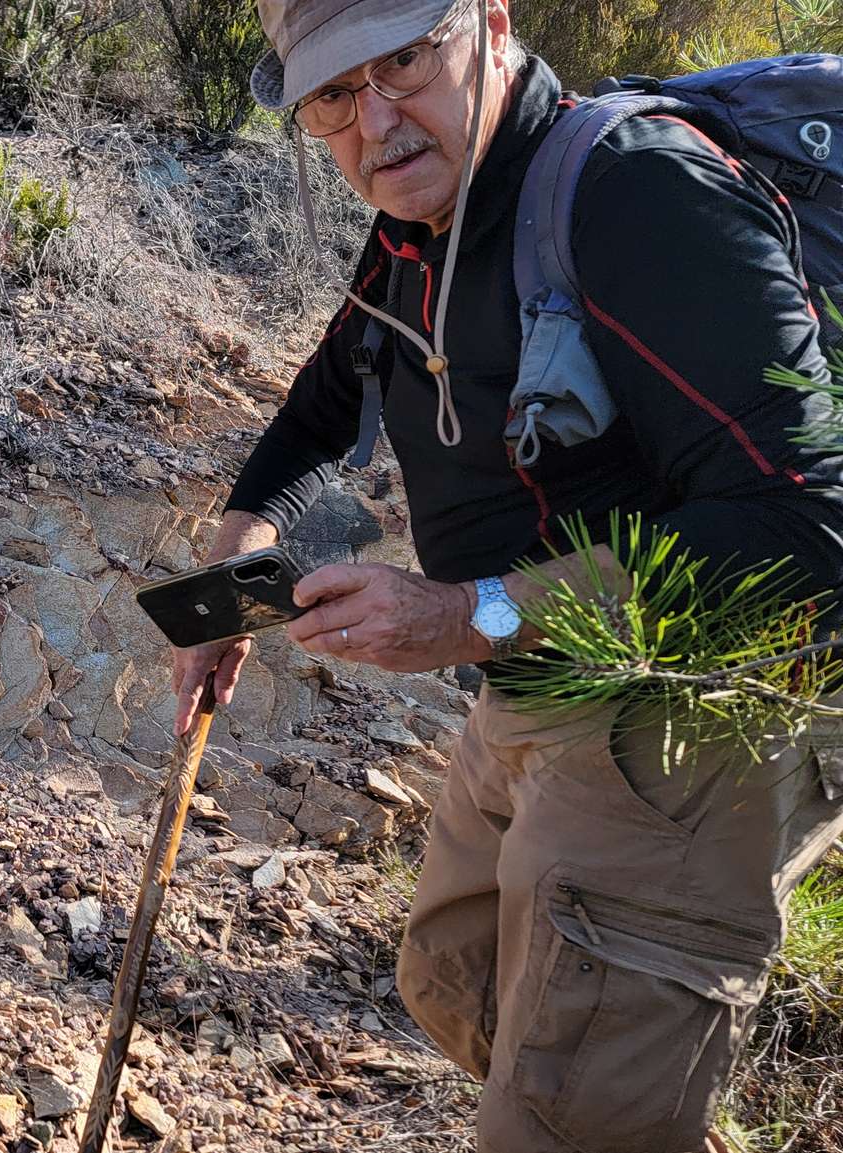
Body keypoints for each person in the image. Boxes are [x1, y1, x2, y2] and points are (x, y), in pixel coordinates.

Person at [171, 0, 843, 1148]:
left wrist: (466, 612)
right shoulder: (421, 221)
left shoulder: (634, 194)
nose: (374, 121)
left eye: (401, 61)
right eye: (332, 94)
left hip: (689, 720)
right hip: (532, 673)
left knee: (566, 1101)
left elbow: (810, 528)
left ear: (488, 26)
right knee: (459, 977)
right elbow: (328, 400)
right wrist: (234, 562)